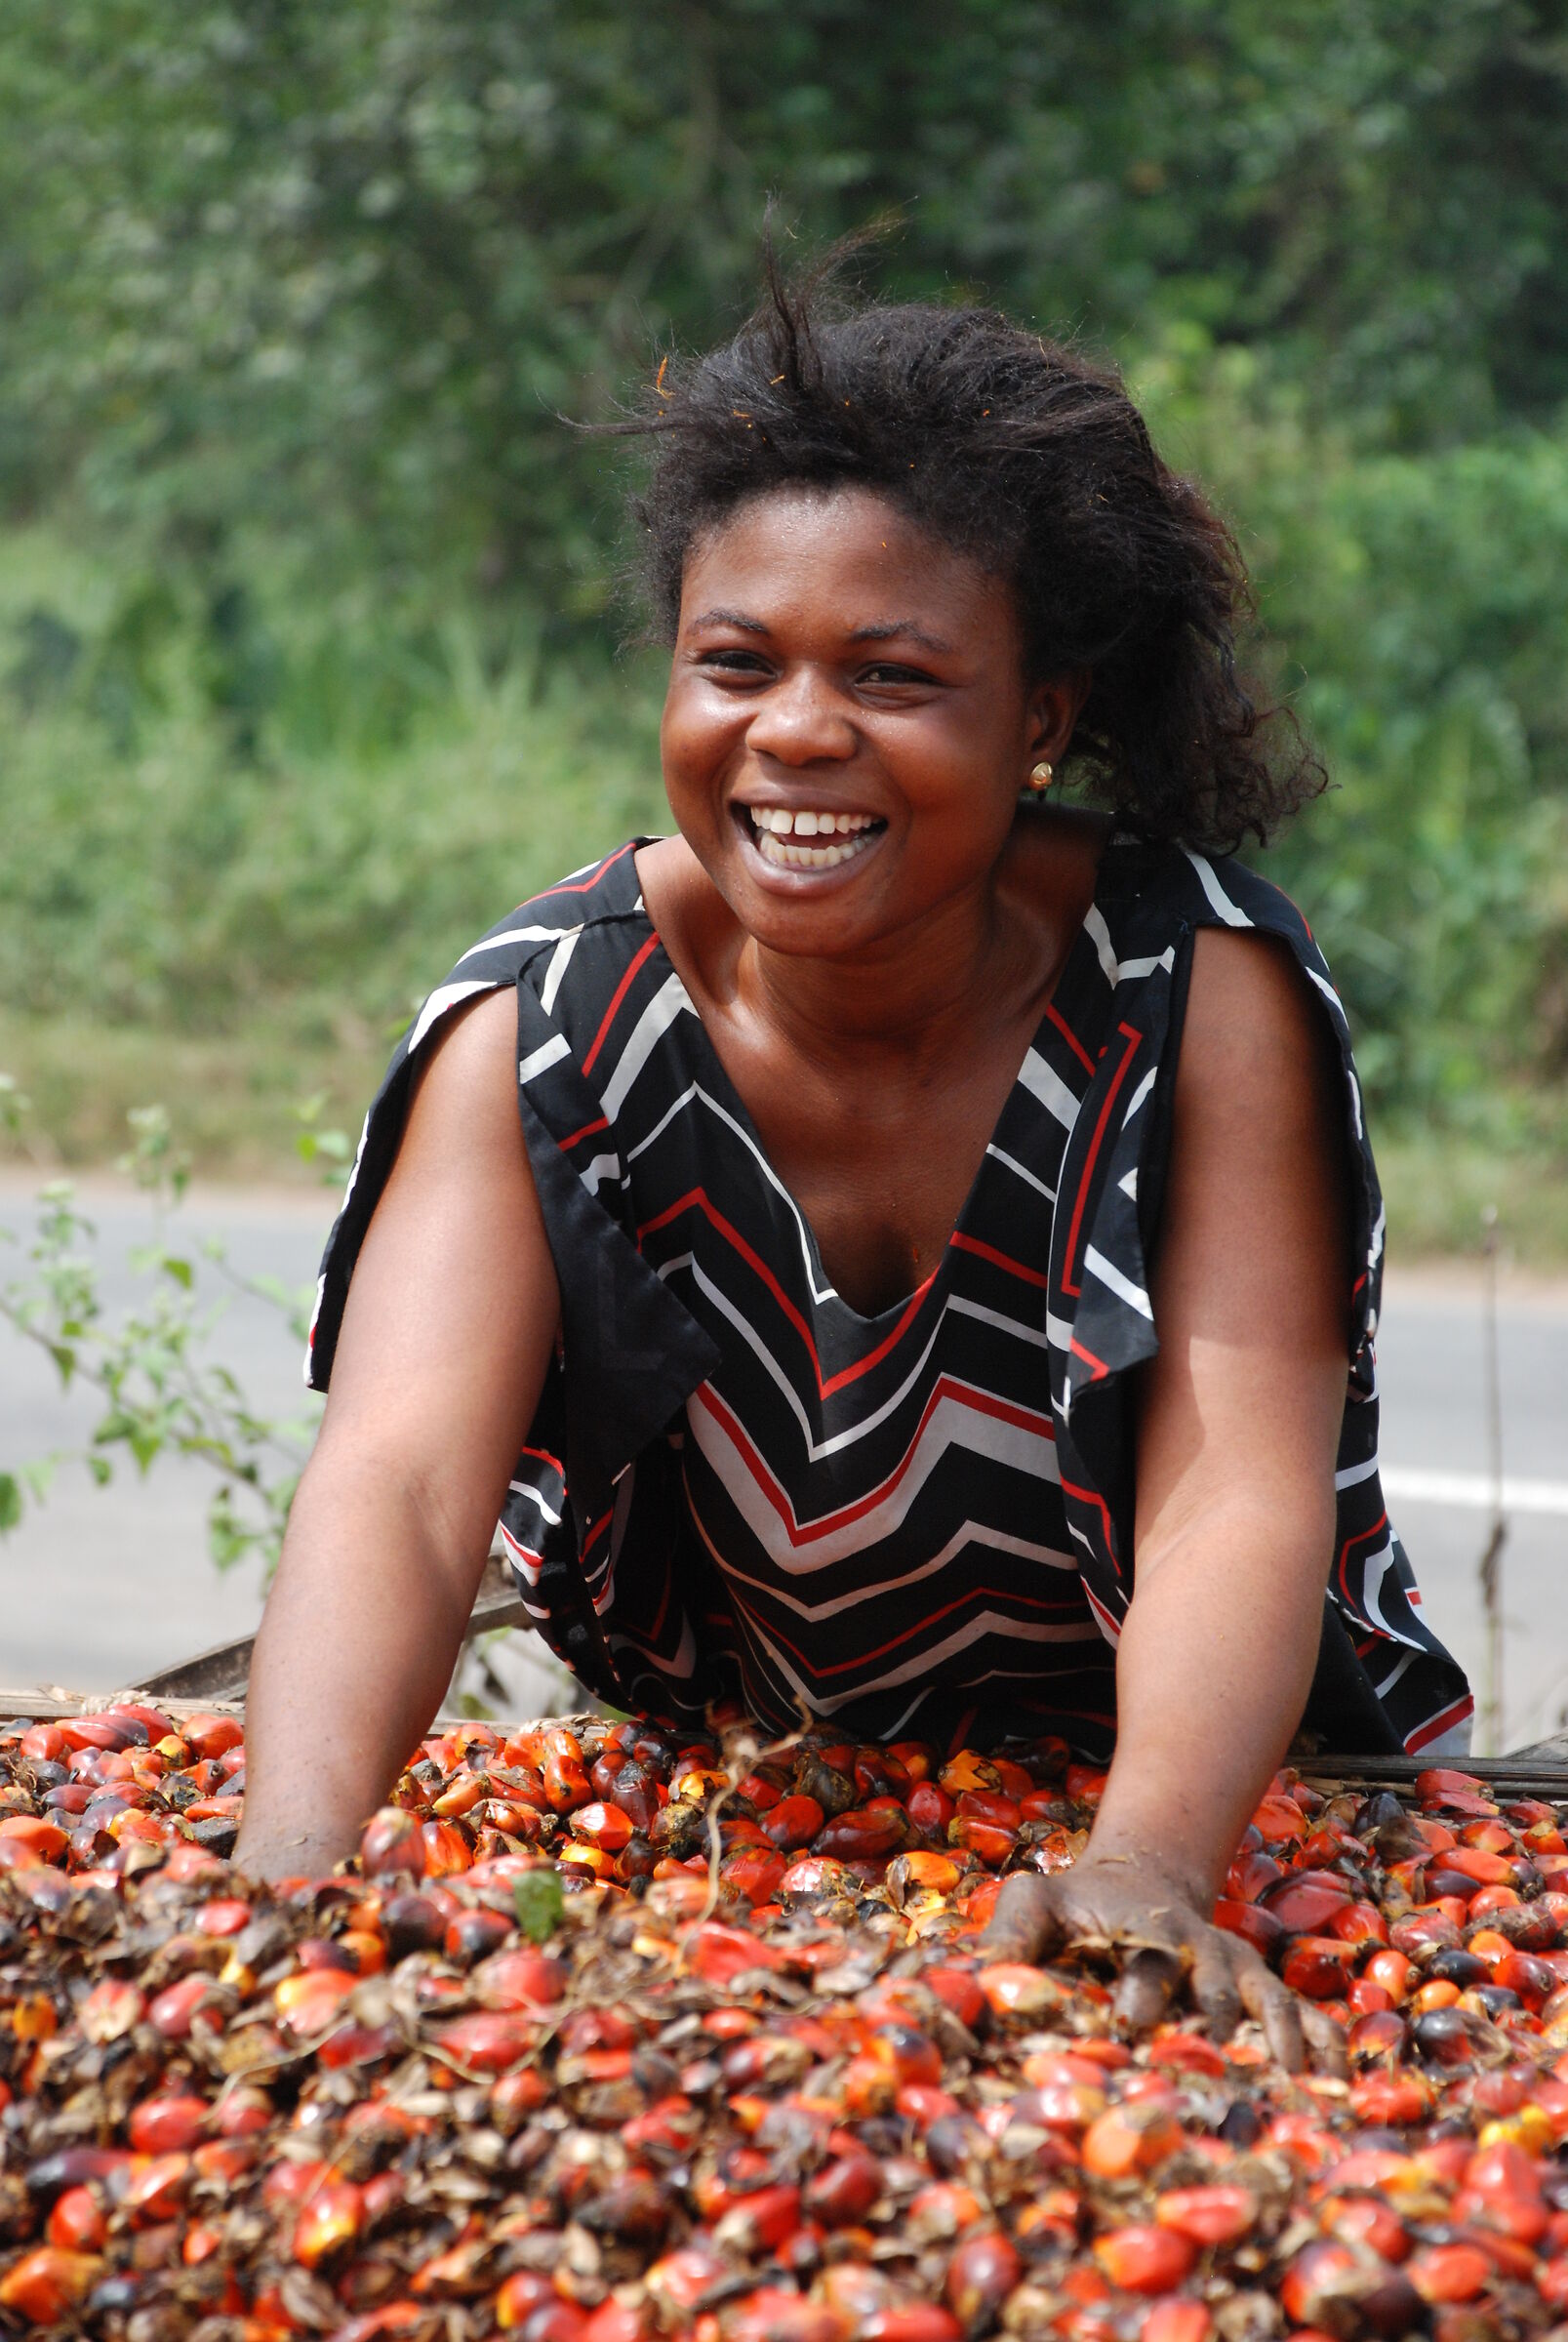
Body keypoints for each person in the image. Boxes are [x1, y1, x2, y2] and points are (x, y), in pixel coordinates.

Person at [233, 263, 1470, 2062]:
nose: (798, 733)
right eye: (736, 663)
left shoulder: (1194, 997)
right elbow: (406, 1480)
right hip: (774, 1799)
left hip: (1230, 1805)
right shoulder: (550, 1021)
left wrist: (1145, 1859)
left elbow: (1233, 1488)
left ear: (1040, 715)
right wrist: (287, 1881)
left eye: (894, 676)